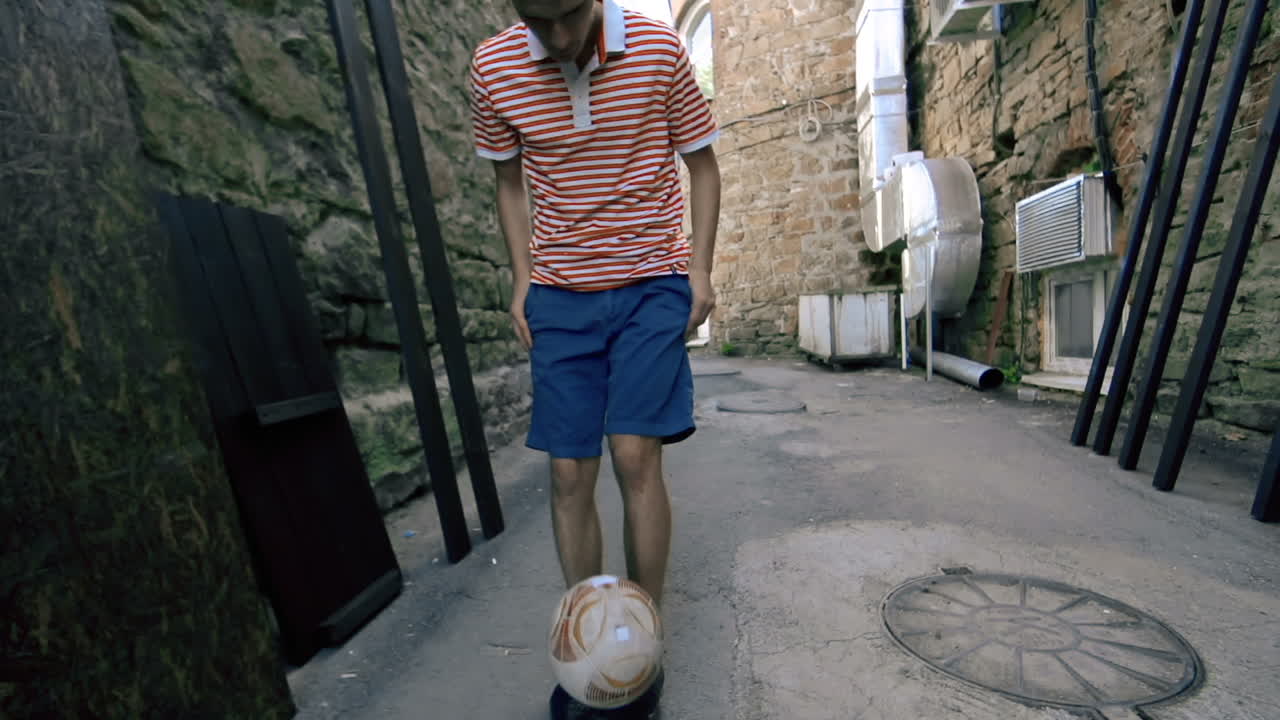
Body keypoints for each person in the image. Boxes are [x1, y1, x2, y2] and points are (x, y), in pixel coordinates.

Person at [469, 0, 721, 716]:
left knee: (636, 456)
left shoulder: (659, 49)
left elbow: (702, 167)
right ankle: (589, 647)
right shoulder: (492, 67)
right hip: (560, 293)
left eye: (569, 15)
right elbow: (508, 181)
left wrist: (699, 270)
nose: (557, 37)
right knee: (568, 471)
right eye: (537, 21)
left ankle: (640, 647)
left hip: (651, 282)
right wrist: (523, 277)